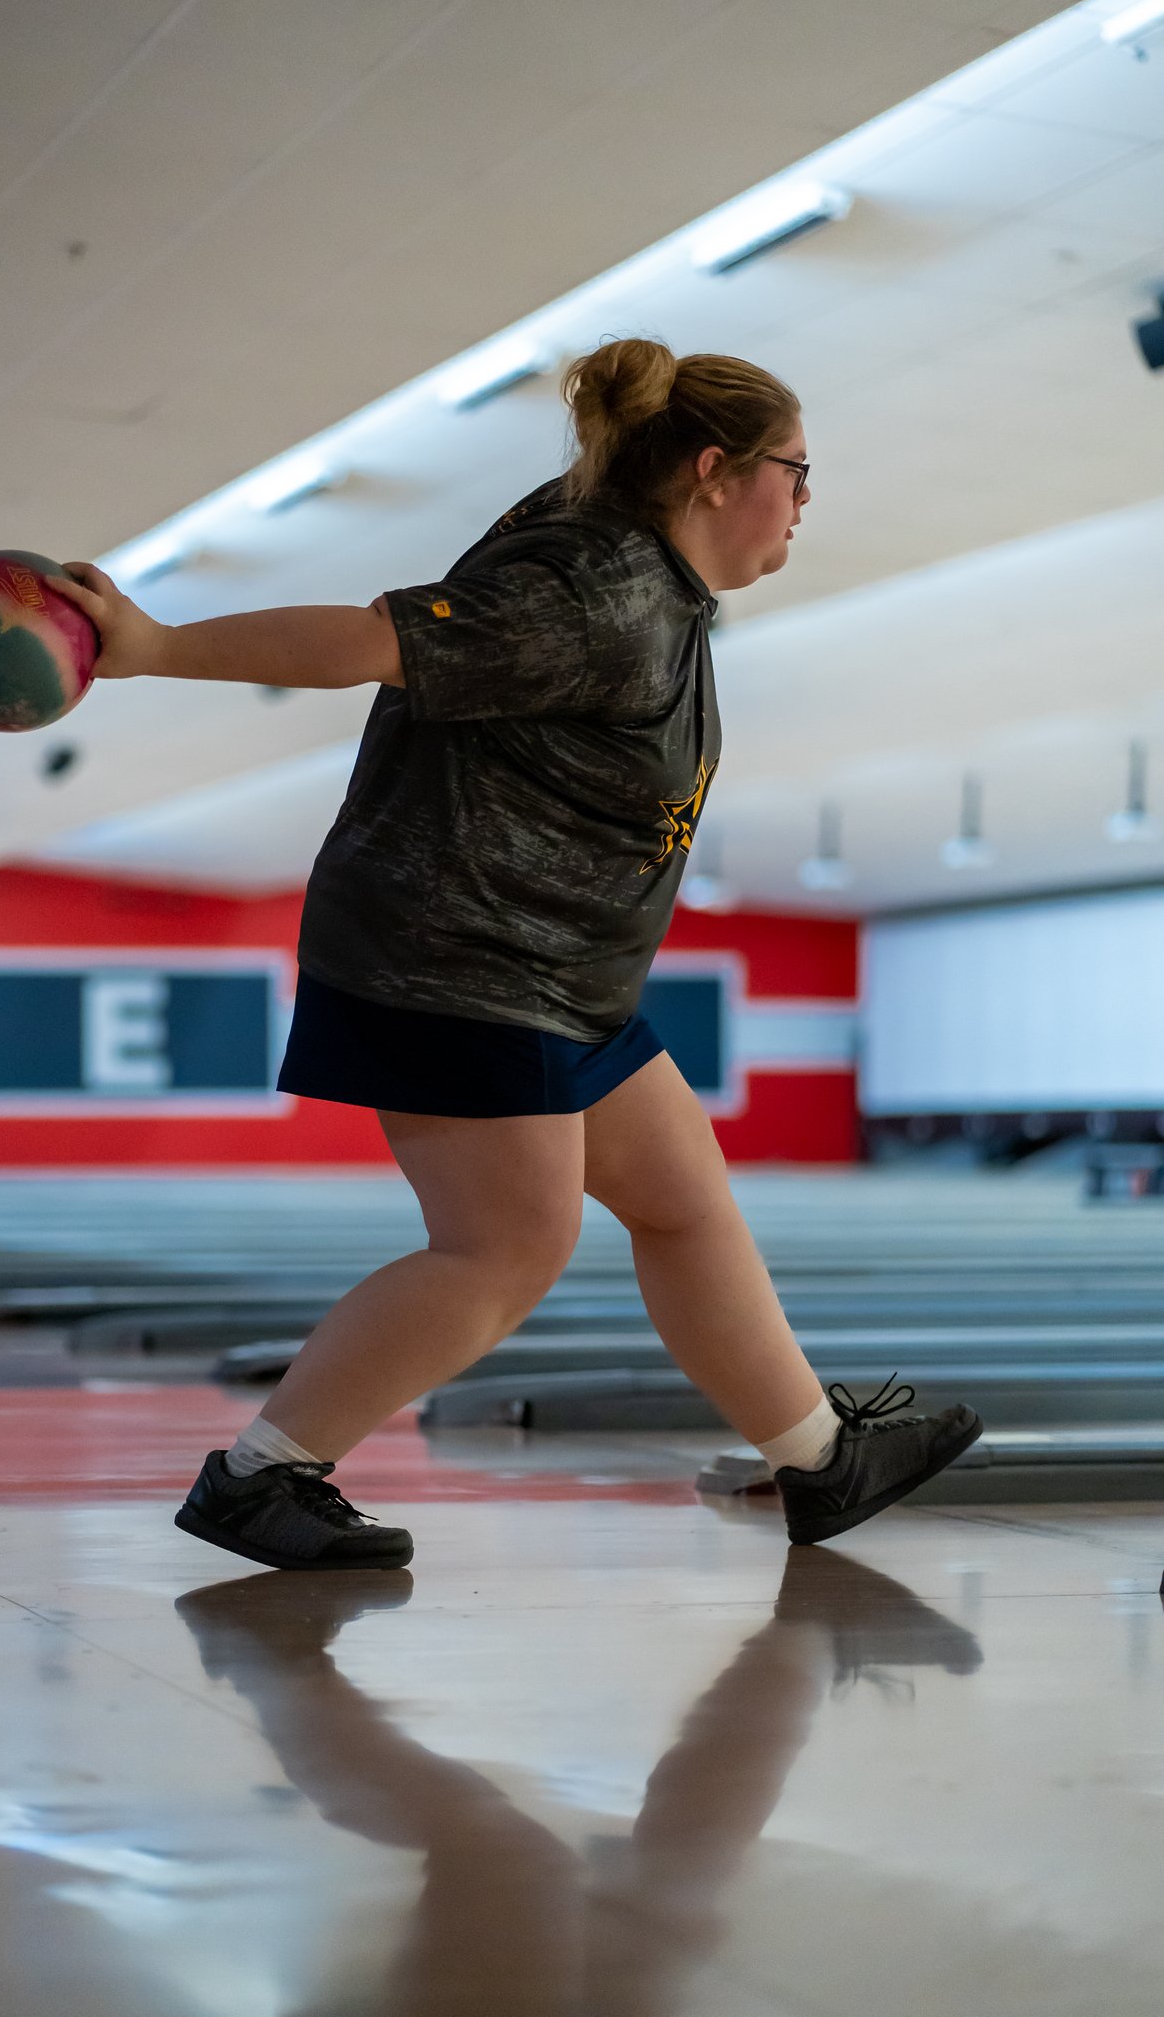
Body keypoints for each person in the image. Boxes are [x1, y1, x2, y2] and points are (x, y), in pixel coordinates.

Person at [51, 337, 981, 1572]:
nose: (807, 499)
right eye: (798, 472)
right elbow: (374, 641)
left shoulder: (629, 553)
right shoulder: (596, 591)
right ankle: (258, 1478)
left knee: (682, 1201)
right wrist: (153, 645)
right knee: (504, 1245)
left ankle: (818, 1454)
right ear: (716, 472)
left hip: (556, 969)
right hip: (461, 959)